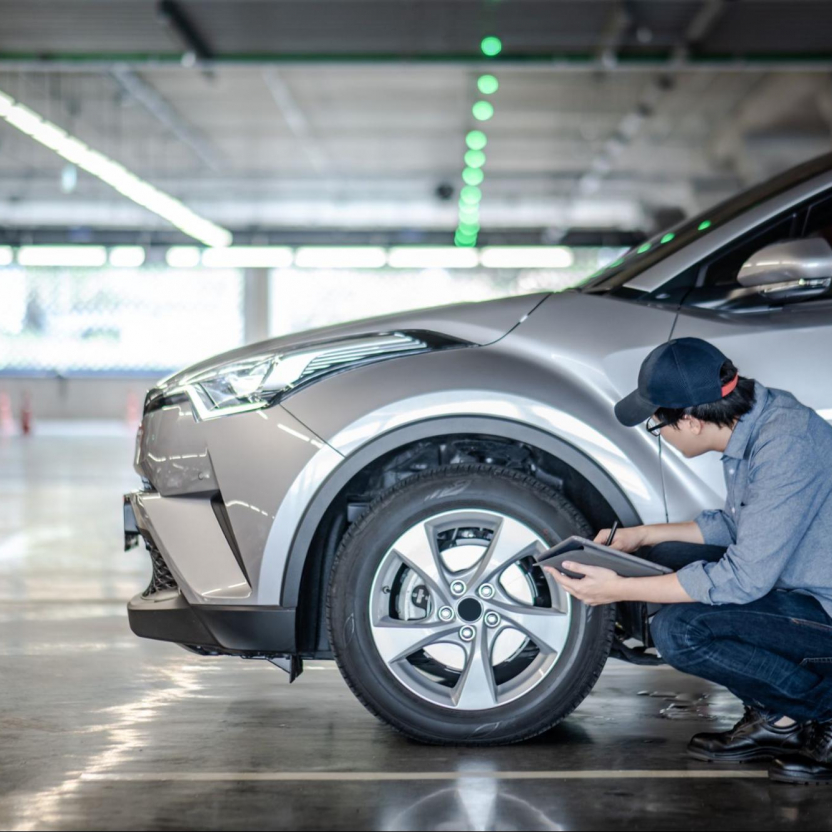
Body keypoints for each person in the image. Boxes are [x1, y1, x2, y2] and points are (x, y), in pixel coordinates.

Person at [545, 337, 832, 786]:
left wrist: (618, 588)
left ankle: (821, 709)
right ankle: (780, 721)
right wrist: (642, 536)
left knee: (680, 632)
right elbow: (742, 525)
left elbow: (742, 580)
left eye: (657, 424)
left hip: (823, 609)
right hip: (801, 587)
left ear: (693, 421)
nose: (660, 434)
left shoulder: (786, 445)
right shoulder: (758, 421)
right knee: (663, 557)